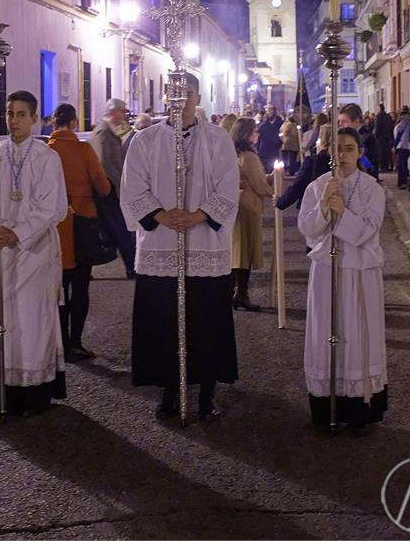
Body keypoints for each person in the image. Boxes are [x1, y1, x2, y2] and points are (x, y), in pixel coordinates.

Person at [121, 73, 239, 421]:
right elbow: (132, 188)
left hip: (204, 244)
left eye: (185, 93)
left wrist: (199, 215)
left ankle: (206, 392)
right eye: (172, 92)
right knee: (164, 322)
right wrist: (161, 214)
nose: (178, 99)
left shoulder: (218, 140)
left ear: (196, 96)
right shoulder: (144, 140)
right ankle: (169, 389)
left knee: (205, 322)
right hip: (162, 242)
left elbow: (228, 186)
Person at [0, 90, 68, 419]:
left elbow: (52, 207)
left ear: (35, 119)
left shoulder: (47, 157)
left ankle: (32, 396)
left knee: (30, 319)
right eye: (10, 114)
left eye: (22, 114)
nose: (14, 121)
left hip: (34, 249)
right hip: (1, 249)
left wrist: (17, 232)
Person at [298, 127, 387, 430]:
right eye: (337, 148)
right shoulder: (318, 186)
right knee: (327, 329)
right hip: (327, 270)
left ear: (360, 152)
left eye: (349, 148)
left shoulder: (372, 188)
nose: (343, 154)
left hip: (360, 272)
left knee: (358, 331)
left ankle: (360, 406)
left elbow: (367, 231)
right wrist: (324, 204)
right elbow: (308, 230)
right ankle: (326, 405)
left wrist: (343, 212)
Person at [48, 103, 111, 360]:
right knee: (81, 287)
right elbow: (103, 187)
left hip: (54, 228)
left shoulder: (45, 152)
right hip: (82, 224)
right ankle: (75, 342)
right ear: (74, 122)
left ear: (53, 123)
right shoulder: (83, 149)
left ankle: (60, 343)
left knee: (59, 289)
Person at [229, 117, 273, 310]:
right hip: (247, 205)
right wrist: (273, 188)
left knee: (236, 250)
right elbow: (258, 183)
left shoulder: (232, 152)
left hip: (236, 204)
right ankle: (241, 294)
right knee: (244, 251)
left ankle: (233, 293)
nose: (258, 133)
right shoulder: (249, 156)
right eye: (255, 130)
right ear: (247, 134)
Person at [91, 98, 136, 277]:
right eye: (123, 111)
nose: (125, 115)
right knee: (120, 229)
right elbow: (105, 163)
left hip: (110, 190)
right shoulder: (103, 132)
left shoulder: (108, 130)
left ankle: (91, 263)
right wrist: (120, 186)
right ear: (114, 112)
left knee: (114, 231)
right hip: (109, 191)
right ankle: (132, 266)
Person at [275, 123, 332, 211]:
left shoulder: (313, 161)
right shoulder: (341, 160)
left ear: (320, 140)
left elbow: (298, 186)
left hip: (312, 207)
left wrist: (281, 202)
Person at [338, 103, 379, 179]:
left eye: (344, 122)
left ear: (356, 121)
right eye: (339, 122)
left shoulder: (366, 138)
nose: (340, 125)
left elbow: (367, 165)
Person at [257, 105, 283, 173]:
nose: (269, 113)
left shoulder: (280, 123)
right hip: (264, 150)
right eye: (268, 112)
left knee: (274, 171)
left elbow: (282, 135)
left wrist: (280, 142)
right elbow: (258, 139)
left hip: (274, 150)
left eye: (271, 111)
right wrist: (257, 149)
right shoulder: (262, 126)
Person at [393, 106, 410, 188]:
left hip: (402, 145)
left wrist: (395, 145)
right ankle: (408, 180)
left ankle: (402, 182)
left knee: (402, 164)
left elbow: (399, 134)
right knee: (408, 163)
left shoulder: (402, 122)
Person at [374, 104, 394, 172]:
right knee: (387, 152)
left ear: (379, 109)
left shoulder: (378, 117)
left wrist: (375, 136)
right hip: (388, 137)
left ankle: (383, 167)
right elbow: (392, 127)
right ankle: (387, 166)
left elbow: (377, 127)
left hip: (380, 138)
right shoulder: (388, 116)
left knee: (381, 152)